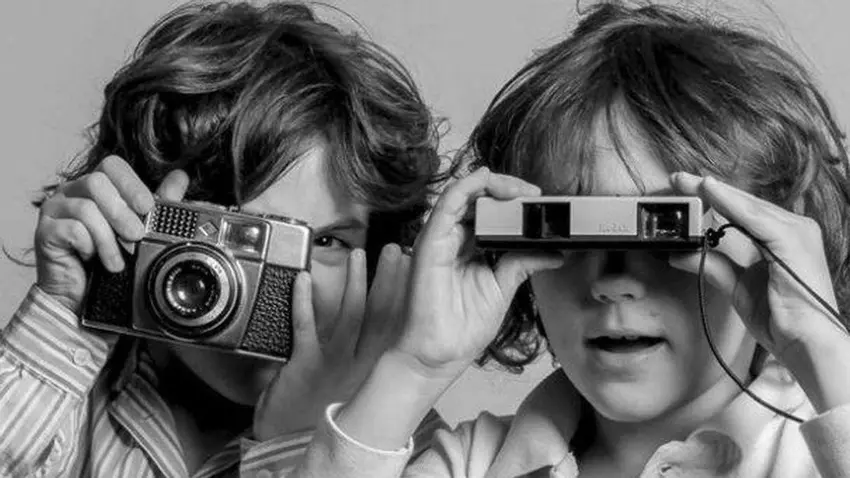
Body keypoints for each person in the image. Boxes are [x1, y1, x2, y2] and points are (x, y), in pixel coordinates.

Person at [291, 3, 850, 477]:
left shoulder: (816, 448)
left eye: (667, 236)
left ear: (768, 241)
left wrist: (825, 353)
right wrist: (415, 367)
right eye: (568, 233)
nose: (613, 282)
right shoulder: (475, 462)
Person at [0, 2, 450, 477]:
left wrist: (302, 446)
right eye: (246, 238)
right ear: (148, 220)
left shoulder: (415, 451)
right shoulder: (57, 393)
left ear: (379, 259)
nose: (284, 288)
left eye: (327, 243)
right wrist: (62, 315)